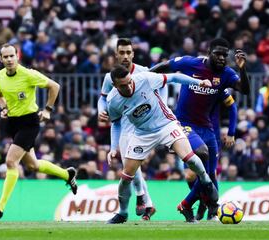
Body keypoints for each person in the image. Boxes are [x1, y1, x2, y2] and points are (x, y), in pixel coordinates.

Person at [106, 64, 219, 224]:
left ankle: (206, 181)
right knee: (126, 177)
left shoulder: (145, 79)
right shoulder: (113, 101)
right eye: (123, 85)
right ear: (115, 85)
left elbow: (173, 77)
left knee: (190, 158)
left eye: (129, 81)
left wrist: (198, 83)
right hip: (142, 134)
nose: (129, 86)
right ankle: (122, 213)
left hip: (166, 125)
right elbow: (116, 123)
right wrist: (113, 147)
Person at [151, 38, 249, 222]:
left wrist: (242, 68)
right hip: (183, 124)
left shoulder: (226, 75)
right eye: (217, 54)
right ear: (209, 52)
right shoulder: (191, 63)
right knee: (199, 158)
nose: (221, 58)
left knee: (210, 175)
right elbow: (167, 65)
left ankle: (193, 206)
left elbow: (243, 91)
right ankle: (209, 206)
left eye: (224, 55)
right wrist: (145, 76)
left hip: (208, 128)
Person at [0, 43, 78, 219]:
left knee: (11, 162)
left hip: (29, 122)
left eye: (12, 56)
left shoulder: (28, 74)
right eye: (6, 57)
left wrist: (48, 110)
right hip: (14, 123)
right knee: (33, 165)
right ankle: (67, 174)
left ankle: (0, 207)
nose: (9, 59)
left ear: (17, 56)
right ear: (1, 59)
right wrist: (3, 108)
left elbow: (54, 86)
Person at [97, 38, 166, 220]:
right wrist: (101, 110)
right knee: (131, 165)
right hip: (124, 123)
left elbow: (162, 84)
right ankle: (147, 203)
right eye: (122, 53)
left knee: (130, 166)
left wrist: (163, 105)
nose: (126, 56)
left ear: (133, 53)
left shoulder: (143, 72)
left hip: (145, 122)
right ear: (116, 54)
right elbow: (102, 98)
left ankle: (140, 200)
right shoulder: (109, 78)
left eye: (129, 52)